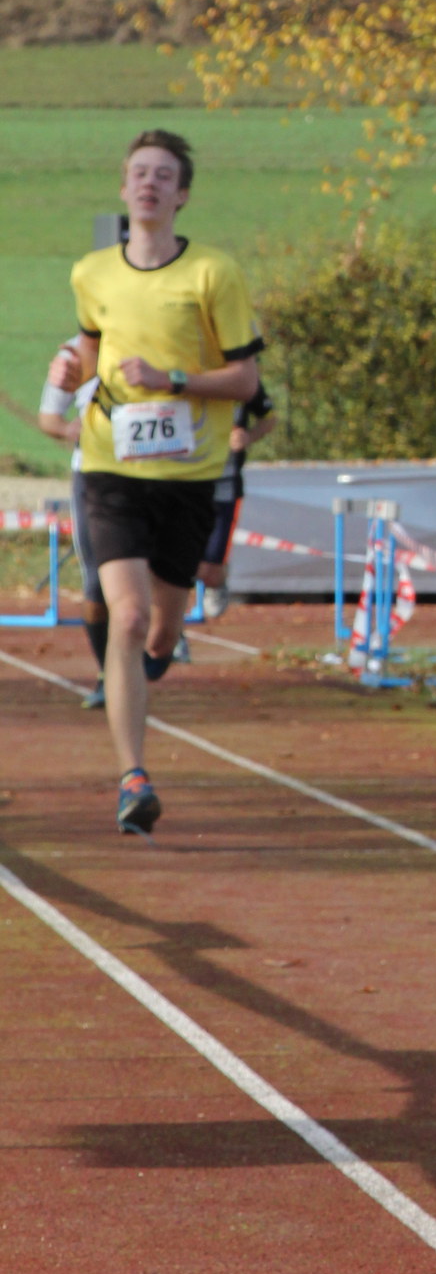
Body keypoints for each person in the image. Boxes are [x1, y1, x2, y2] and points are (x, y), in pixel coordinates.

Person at [46, 131, 263, 835]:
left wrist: (172, 380)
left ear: (182, 195)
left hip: (189, 475)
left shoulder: (212, 273)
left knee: (161, 631)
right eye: (138, 173)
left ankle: (157, 658)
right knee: (129, 616)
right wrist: (68, 376)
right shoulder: (91, 273)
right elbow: (91, 356)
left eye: (163, 176)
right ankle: (133, 779)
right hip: (110, 469)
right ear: (122, 188)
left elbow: (246, 380)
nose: (149, 184)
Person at [36, 339, 107, 709]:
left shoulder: (158, 338)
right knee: (96, 582)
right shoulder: (74, 353)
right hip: (94, 477)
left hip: (153, 476)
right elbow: (48, 417)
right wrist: (67, 430)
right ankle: (108, 672)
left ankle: (162, 640)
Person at [193, 382, 276, 621]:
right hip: (186, 481)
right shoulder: (188, 377)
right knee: (177, 563)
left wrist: (248, 436)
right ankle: (172, 630)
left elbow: (269, 419)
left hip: (225, 485)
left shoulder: (243, 381)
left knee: (209, 569)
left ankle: (216, 582)